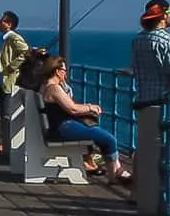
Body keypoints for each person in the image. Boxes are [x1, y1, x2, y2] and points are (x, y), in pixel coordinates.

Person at [131, 0, 170, 216]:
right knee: (167, 154)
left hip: (143, 101)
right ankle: (165, 201)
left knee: (143, 150)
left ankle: (138, 194)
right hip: (163, 104)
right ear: (164, 15)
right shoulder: (168, 41)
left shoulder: (138, 40)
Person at [40, 56, 131, 186]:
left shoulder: (45, 86)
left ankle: (116, 171)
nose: (66, 72)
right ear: (57, 71)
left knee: (101, 135)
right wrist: (90, 107)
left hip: (58, 126)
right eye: (64, 70)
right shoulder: (54, 88)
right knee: (109, 139)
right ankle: (114, 174)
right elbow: (73, 109)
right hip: (63, 128)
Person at [0, 10, 29, 155]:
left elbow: (25, 52)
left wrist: (11, 67)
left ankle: (9, 147)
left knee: (8, 114)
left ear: (9, 24)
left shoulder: (14, 38)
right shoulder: (6, 39)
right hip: (2, 81)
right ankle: (6, 145)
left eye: (2, 20)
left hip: (9, 81)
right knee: (4, 114)